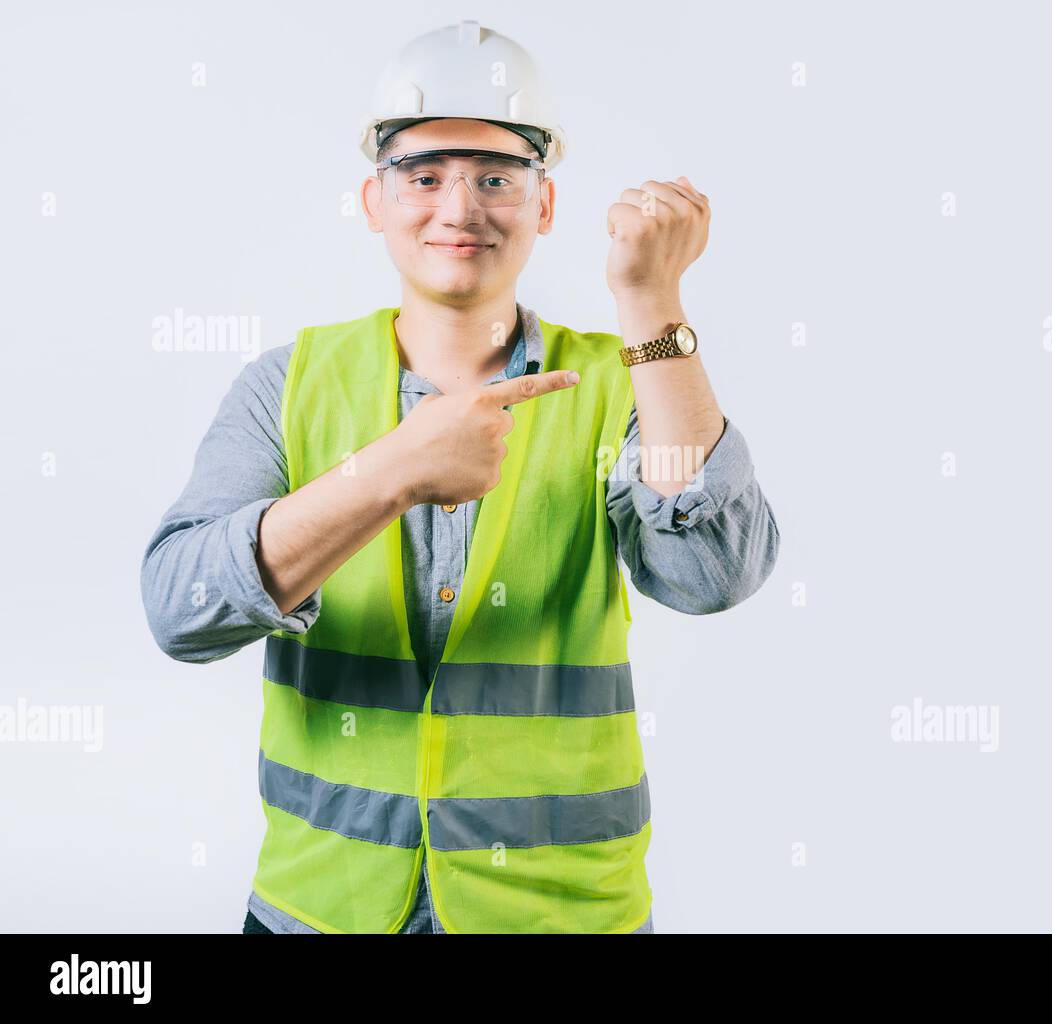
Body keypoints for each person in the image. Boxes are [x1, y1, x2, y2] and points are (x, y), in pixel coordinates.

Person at [140, 20, 780, 934]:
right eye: (424, 174)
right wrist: (389, 475)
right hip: (323, 908)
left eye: (496, 178)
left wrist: (653, 306)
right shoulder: (286, 386)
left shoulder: (619, 383)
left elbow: (711, 574)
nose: (459, 208)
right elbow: (180, 611)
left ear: (544, 204)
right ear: (374, 198)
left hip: (562, 914)